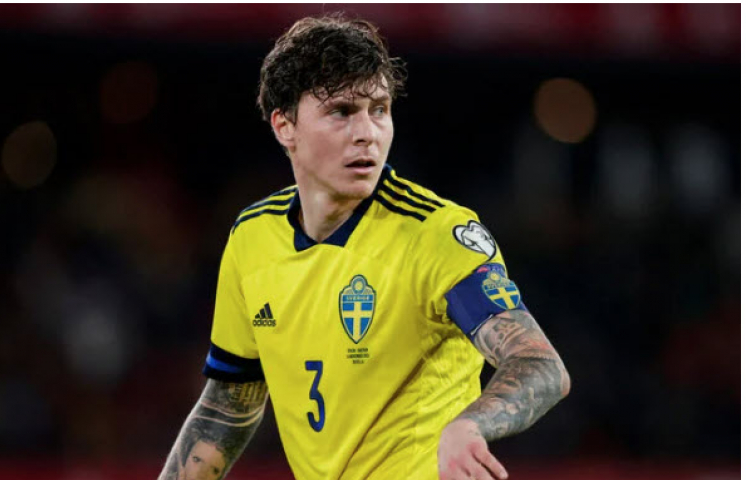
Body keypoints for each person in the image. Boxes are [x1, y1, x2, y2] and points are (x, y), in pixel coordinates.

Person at [159, 13, 570, 480]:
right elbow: (228, 403)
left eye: (379, 109)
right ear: (284, 126)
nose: (367, 133)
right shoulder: (253, 237)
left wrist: (470, 425)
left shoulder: (435, 233)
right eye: (342, 111)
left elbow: (539, 364)